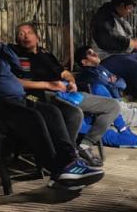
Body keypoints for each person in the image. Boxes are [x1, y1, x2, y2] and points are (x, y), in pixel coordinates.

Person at [0, 15, 105, 190]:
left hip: (19, 98)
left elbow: (16, 67)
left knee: (52, 111)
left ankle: (70, 161)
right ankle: (58, 169)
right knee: (34, 117)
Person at [10, 22, 122, 166]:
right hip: (40, 96)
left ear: (37, 37)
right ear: (17, 40)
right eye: (21, 34)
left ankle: (85, 145)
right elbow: (15, 82)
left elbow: (64, 72)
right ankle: (67, 154)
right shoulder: (15, 56)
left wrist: (71, 82)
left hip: (66, 92)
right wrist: (48, 85)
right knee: (75, 114)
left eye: (28, 33)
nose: (25, 36)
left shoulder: (46, 54)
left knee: (113, 105)